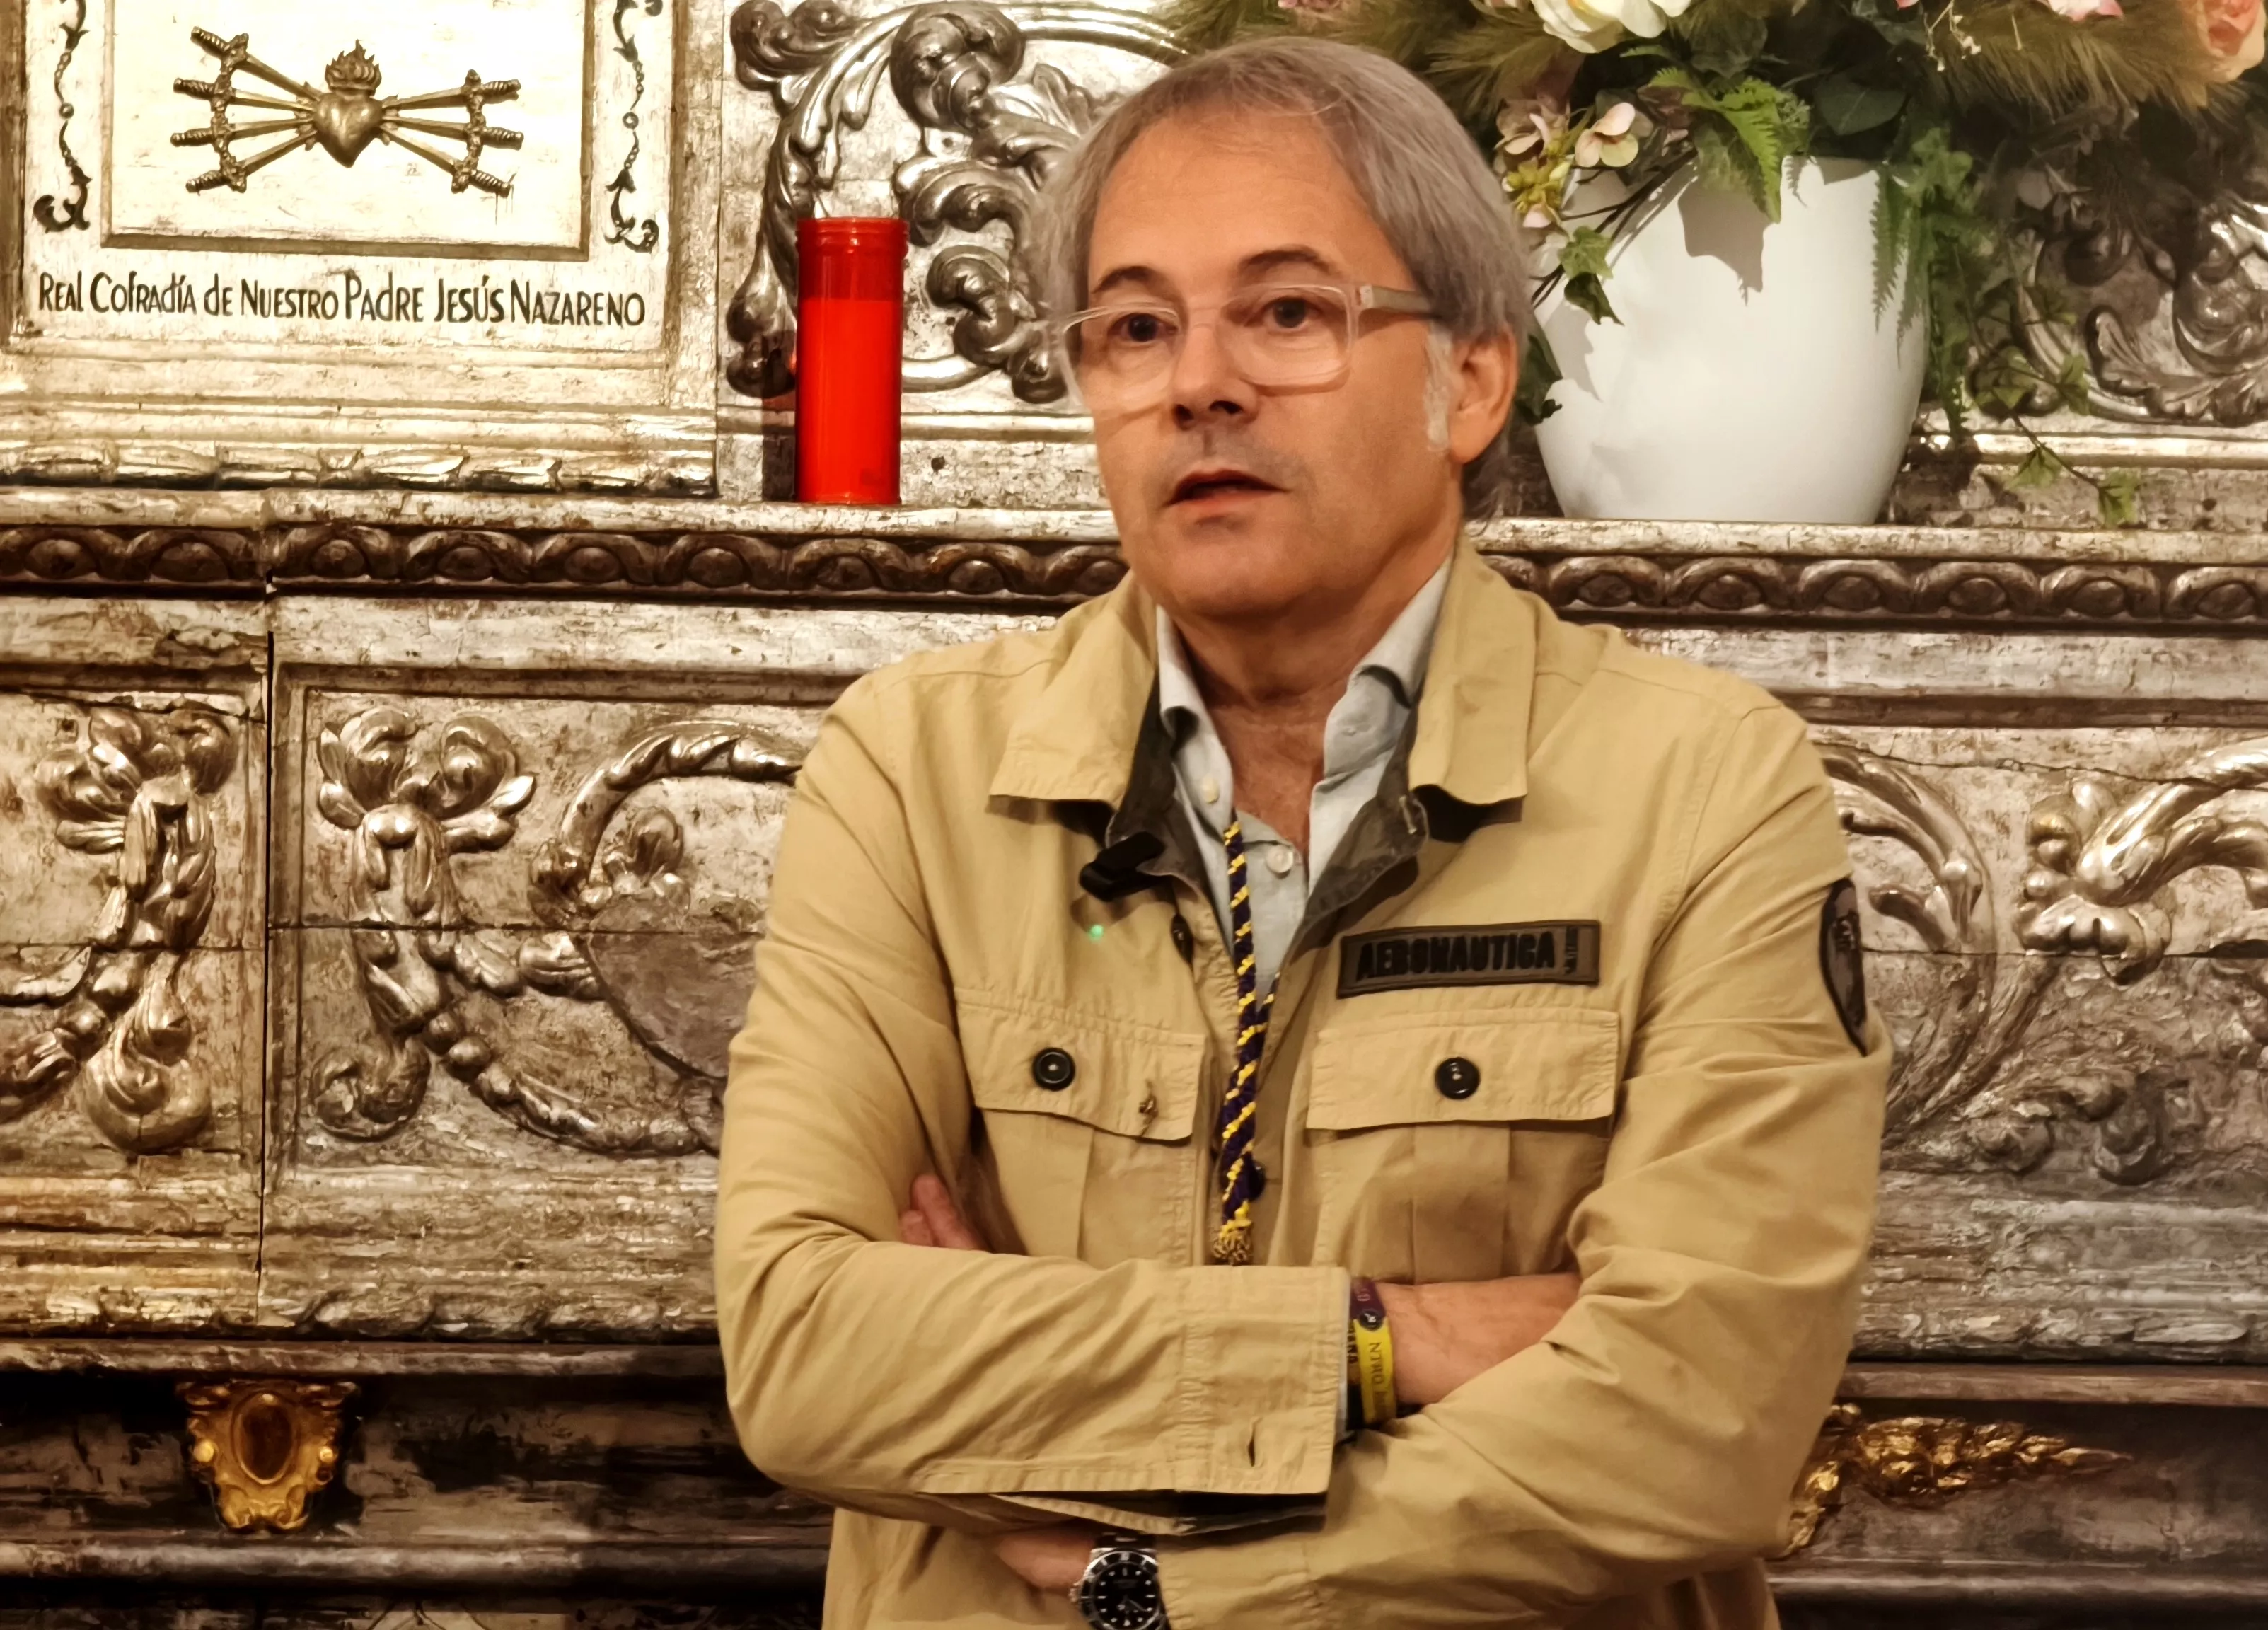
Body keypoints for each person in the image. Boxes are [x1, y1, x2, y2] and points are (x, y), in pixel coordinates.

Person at [716, 36, 1887, 1630]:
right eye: (1135, 327)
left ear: (1467, 379)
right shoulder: (913, 772)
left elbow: (1699, 1425)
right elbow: (804, 1360)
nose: (1199, 380)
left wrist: (1147, 1582)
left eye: (1286, 311)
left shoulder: (1706, 791)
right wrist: (1388, 1341)